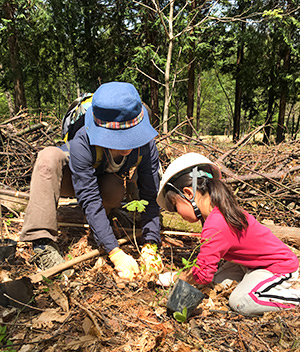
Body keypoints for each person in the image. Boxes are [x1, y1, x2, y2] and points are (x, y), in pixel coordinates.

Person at [20, 81, 163, 281]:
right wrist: (115, 252)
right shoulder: (82, 141)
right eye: (118, 140)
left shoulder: (146, 145)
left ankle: (104, 220)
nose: (127, 147)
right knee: (48, 158)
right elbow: (88, 197)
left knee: (114, 190)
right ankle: (42, 242)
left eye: (131, 138)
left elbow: (150, 193)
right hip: (72, 180)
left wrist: (150, 244)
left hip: (107, 182)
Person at [156, 152, 300, 316]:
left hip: (276, 267)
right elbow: (206, 265)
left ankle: (294, 297)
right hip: (249, 264)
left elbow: (202, 275)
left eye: (175, 206)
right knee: (216, 282)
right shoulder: (219, 211)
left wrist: (176, 278)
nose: (177, 213)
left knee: (241, 301)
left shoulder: (216, 224)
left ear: (188, 193)